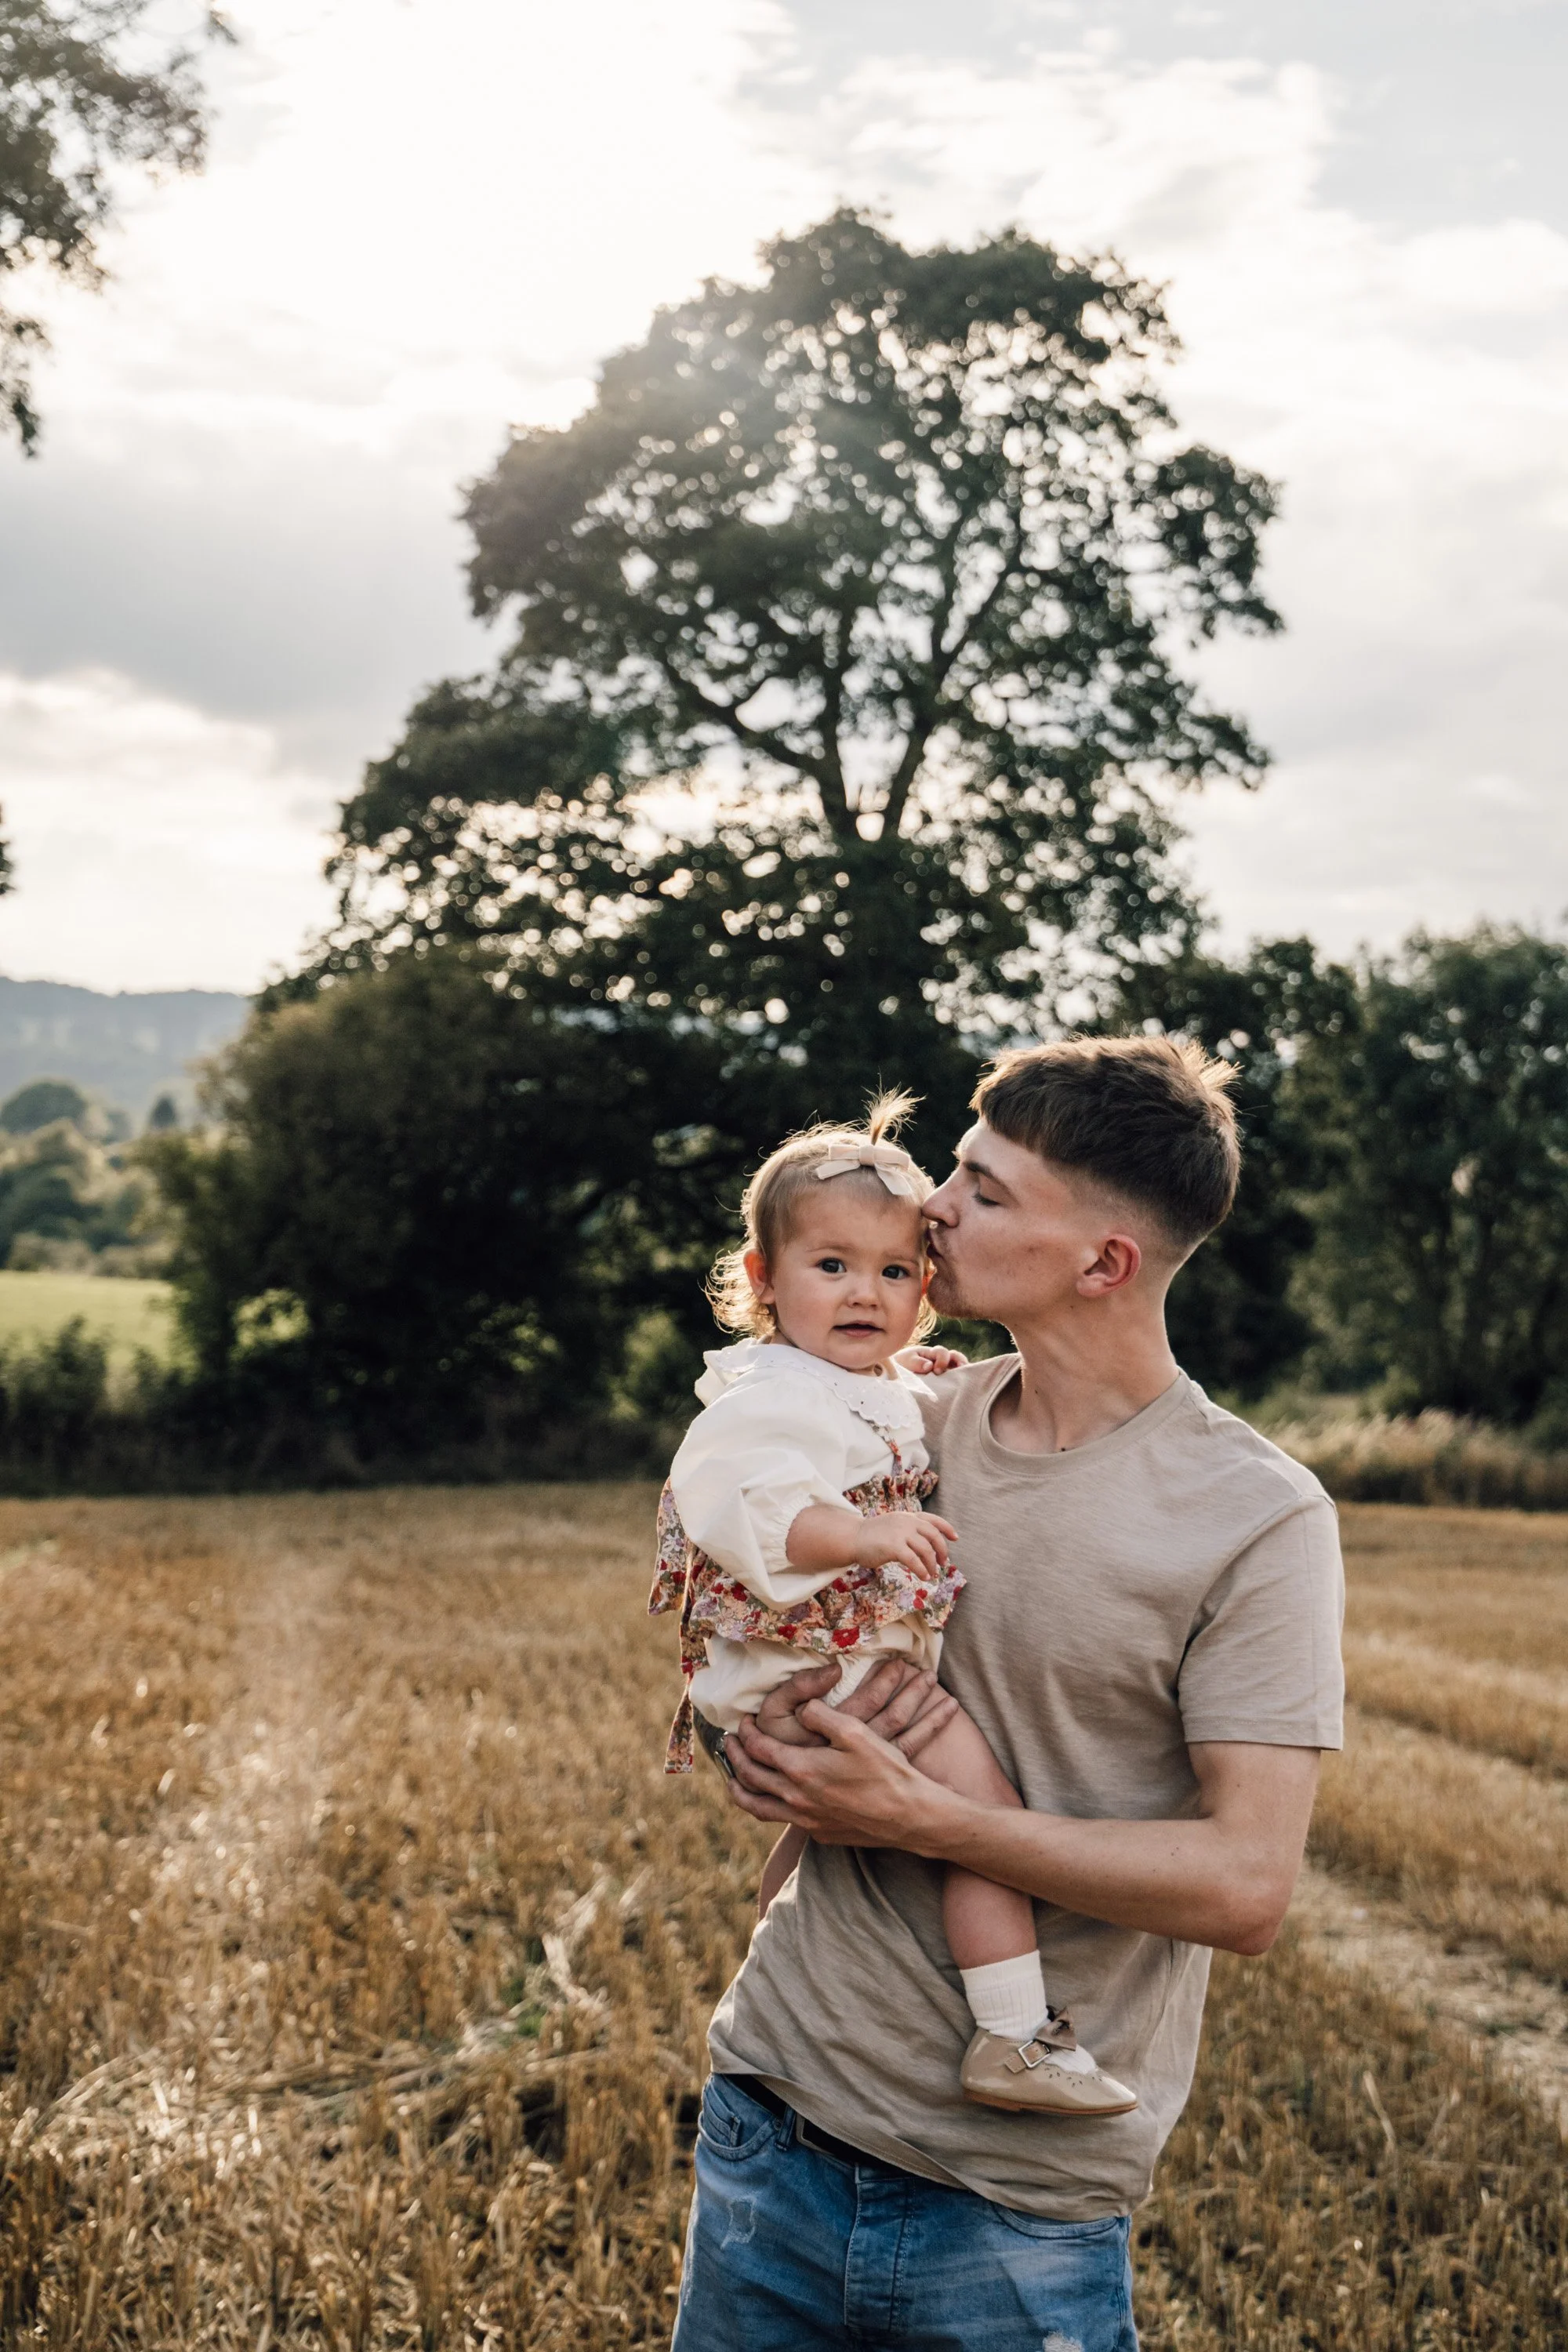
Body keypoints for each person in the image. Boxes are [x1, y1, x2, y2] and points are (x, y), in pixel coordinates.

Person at [670, 1036, 1345, 2352]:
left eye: (982, 1190)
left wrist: (925, 1819)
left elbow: (1245, 1889)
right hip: (777, 2115)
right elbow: (750, 1606)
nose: (932, 1209)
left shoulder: (1257, 1518)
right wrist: (765, 1750)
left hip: (1016, 2208)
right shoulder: (896, 1424)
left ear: (1103, 1263)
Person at [652, 1093, 1135, 2115]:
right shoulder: (766, 1398)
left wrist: (907, 1375)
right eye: (832, 1267)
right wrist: (859, 1534)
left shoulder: (839, 1377)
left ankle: (773, 1972)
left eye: (895, 1272)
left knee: (818, 1839)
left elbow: (856, 1412)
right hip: (826, 1667)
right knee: (981, 1818)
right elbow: (748, 1504)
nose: (865, 1294)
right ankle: (1012, 2034)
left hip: (824, 1667)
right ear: (762, 1278)